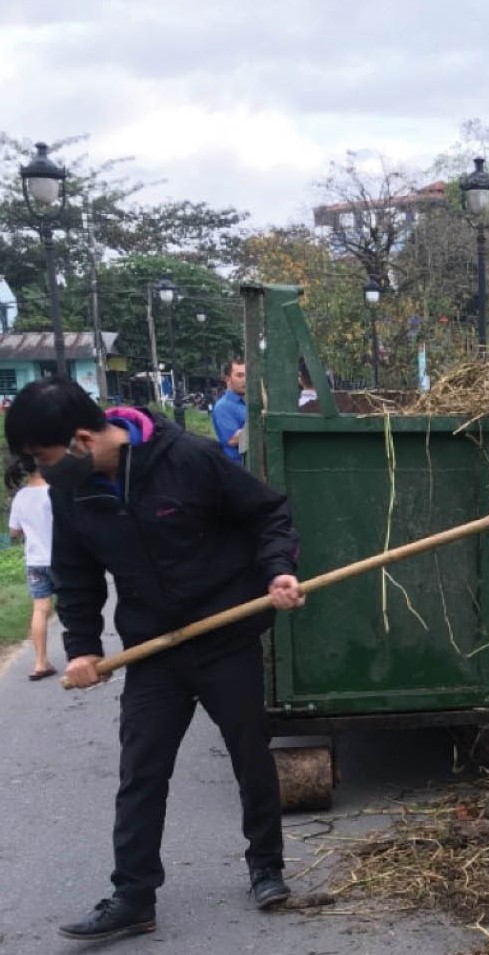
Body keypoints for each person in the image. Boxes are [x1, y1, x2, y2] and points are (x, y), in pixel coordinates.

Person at [4, 376, 305, 941]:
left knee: (250, 753)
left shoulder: (188, 459)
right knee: (141, 770)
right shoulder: (73, 494)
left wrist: (278, 569)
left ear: (79, 439)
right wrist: (85, 649)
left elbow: (267, 514)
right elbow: (77, 578)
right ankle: (133, 895)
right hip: (154, 650)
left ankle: (266, 866)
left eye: (43, 457)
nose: (42, 471)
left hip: (224, 636)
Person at [5, 455, 56, 680]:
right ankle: (81, 655)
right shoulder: (54, 492)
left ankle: (40, 662)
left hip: (34, 561)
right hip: (60, 558)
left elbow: (14, 532)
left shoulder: (21, 497)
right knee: (73, 605)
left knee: (40, 608)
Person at [212, 359, 247, 462]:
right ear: (227, 379)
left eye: (246, 375)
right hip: (236, 469)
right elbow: (232, 440)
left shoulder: (246, 403)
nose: (245, 380)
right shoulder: (222, 407)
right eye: (240, 376)